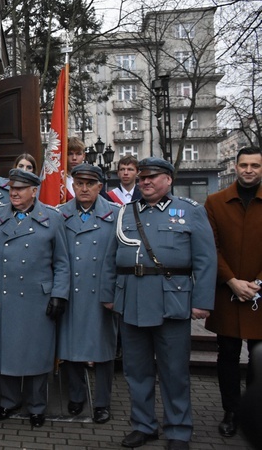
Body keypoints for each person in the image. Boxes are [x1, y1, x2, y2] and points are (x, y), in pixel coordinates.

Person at [105, 157, 216, 450]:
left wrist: (202, 301)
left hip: (172, 300)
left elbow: (206, 260)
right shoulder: (125, 214)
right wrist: (109, 296)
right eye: (142, 178)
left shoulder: (190, 212)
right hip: (131, 300)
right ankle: (143, 425)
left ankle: (179, 429)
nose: (145, 182)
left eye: (152, 177)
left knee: (174, 370)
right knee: (136, 370)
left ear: (168, 180)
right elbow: (110, 259)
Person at [0, 168, 70, 428]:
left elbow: (62, 263)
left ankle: (37, 406)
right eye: (12, 188)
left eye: (20, 188)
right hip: (5, 296)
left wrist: (59, 294)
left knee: (38, 354)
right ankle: (8, 401)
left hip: (39, 298)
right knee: (6, 352)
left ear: (34, 191)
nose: (14, 192)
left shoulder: (52, 218)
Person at [204, 146, 262, 438]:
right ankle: (231, 411)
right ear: (235, 167)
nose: (249, 170)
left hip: (259, 295)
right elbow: (209, 247)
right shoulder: (215, 202)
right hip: (227, 291)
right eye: (244, 165)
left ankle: (255, 410)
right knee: (226, 355)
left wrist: (257, 284)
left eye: (255, 165)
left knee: (258, 355)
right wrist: (231, 281)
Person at [58, 164, 118, 424]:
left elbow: (119, 257)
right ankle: (76, 395)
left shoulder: (116, 214)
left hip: (101, 292)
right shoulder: (59, 214)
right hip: (71, 290)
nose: (83, 188)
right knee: (70, 347)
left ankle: (102, 402)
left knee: (103, 350)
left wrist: (113, 292)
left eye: (89, 184)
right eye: (79, 183)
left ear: (99, 187)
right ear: (73, 185)